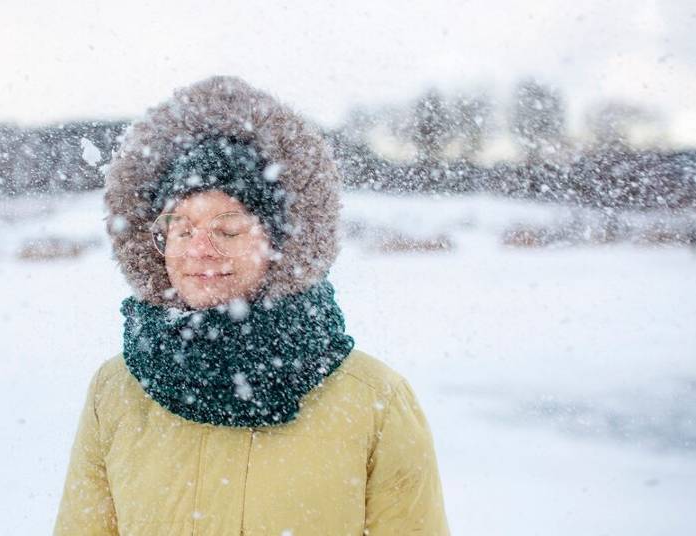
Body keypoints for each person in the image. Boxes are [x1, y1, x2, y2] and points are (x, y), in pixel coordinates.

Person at [53, 75, 451, 535]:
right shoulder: (115, 393)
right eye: (180, 229)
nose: (198, 250)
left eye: (227, 229)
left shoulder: (374, 401)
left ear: (279, 242)